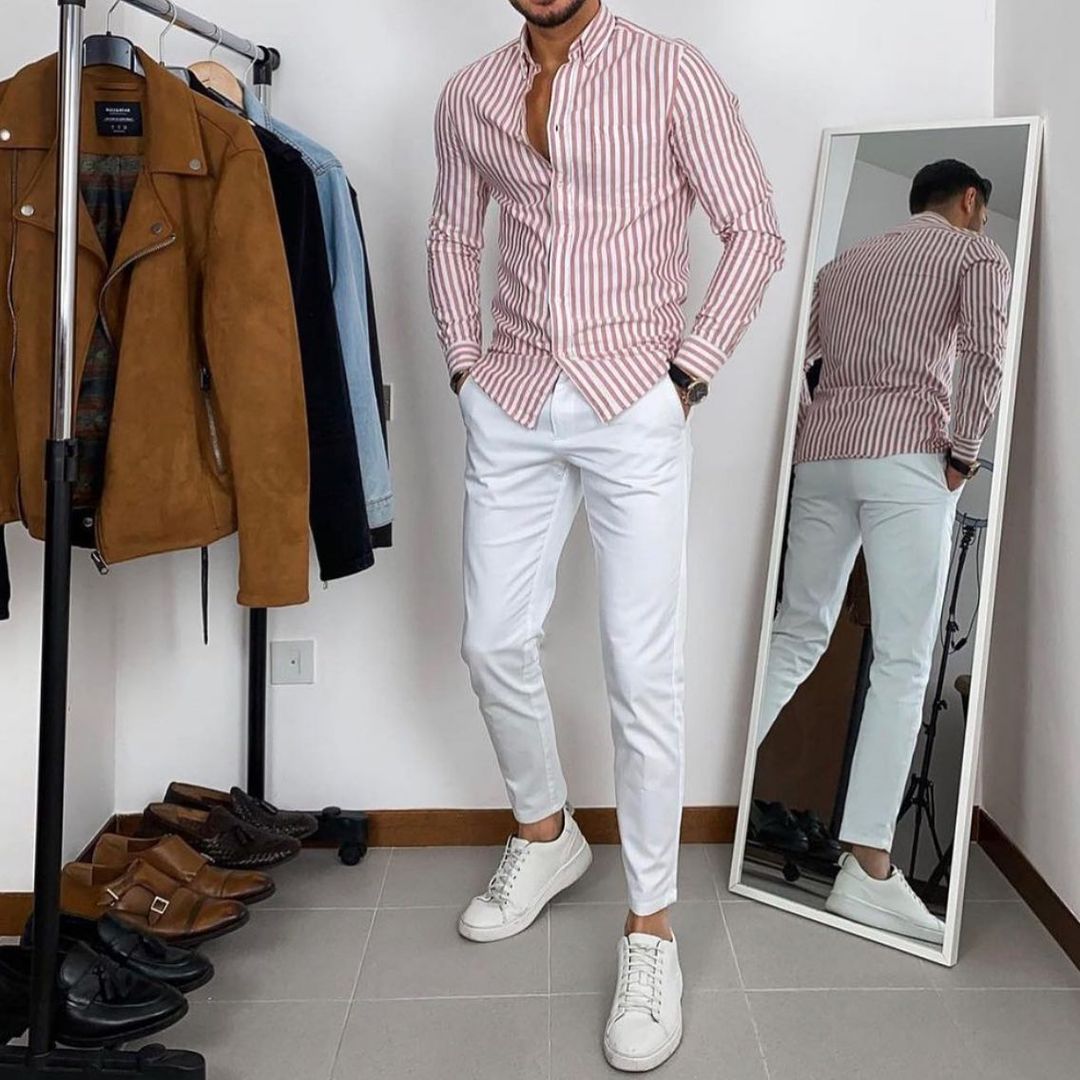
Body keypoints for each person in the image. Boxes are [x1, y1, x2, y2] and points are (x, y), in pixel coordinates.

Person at [427, 0, 783, 1070]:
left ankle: (650, 930)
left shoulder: (671, 70)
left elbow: (755, 228)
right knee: (492, 639)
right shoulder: (469, 93)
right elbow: (452, 234)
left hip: (636, 401)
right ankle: (546, 834)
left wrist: (687, 377)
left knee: (641, 669)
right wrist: (464, 367)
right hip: (514, 395)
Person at [757, 159, 1012, 943]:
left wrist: (814, 434)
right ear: (970, 200)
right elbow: (985, 354)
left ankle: (701, 786)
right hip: (908, 454)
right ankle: (867, 867)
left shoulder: (842, 266)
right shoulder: (976, 253)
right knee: (902, 659)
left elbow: (794, 362)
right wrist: (963, 453)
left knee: (797, 633)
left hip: (824, 452)